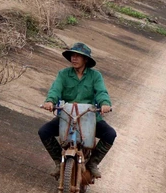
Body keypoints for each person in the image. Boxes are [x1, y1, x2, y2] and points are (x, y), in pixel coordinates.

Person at [38, 43, 116, 178]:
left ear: (86, 59)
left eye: (78, 56)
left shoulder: (95, 76)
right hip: (67, 116)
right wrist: (50, 101)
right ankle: (58, 161)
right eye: (72, 56)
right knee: (44, 131)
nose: (74, 59)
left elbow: (101, 92)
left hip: (90, 117)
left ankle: (93, 163)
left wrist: (105, 103)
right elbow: (55, 89)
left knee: (110, 134)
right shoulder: (63, 74)